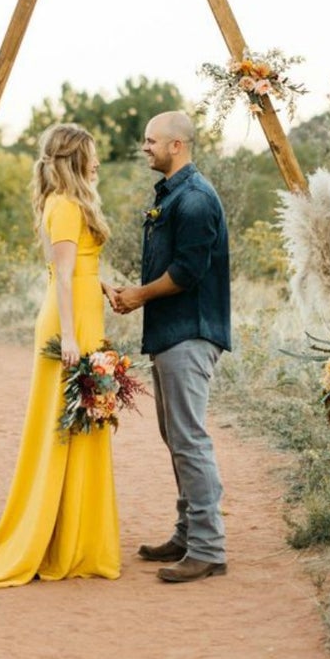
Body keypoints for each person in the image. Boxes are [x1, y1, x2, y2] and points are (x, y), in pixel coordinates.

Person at [0, 122, 121, 588]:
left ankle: (75, 533)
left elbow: (76, 271)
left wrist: (102, 284)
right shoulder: (67, 206)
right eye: (91, 155)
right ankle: (59, 538)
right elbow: (64, 276)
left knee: (84, 420)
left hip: (82, 312)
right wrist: (70, 338)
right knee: (67, 422)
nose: (97, 163)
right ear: (75, 161)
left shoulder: (69, 203)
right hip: (68, 325)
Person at [109, 110, 232, 583]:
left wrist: (138, 295)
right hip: (170, 332)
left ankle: (208, 548)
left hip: (190, 332)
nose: (145, 147)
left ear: (176, 145)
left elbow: (187, 272)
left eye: (150, 141)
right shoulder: (174, 194)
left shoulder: (196, 199)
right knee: (177, 438)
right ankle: (187, 534)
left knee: (190, 439)